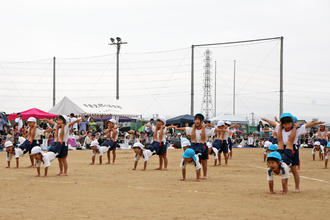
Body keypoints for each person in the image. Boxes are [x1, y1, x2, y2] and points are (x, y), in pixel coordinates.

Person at [262, 113, 324, 192]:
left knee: (294, 169)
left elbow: (307, 125)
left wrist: (316, 123)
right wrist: (266, 120)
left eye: (288, 123)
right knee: (283, 166)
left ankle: (297, 187)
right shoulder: (281, 128)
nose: (287, 125)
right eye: (285, 124)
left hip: (292, 148)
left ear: (292, 123)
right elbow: (274, 124)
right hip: (281, 147)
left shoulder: (297, 129)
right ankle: (285, 188)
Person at [176, 113, 214, 179]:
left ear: (202, 121)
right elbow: (185, 128)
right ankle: (198, 175)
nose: (196, 121)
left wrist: (209, 125)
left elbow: (214, 129)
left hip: (203, 145)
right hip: (194, 144)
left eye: (198, 119)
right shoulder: (192, 129)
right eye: (195, 119)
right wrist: (176, 128)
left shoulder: (206, 129)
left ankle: (204, 175)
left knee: (204, 161)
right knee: (197, 160)